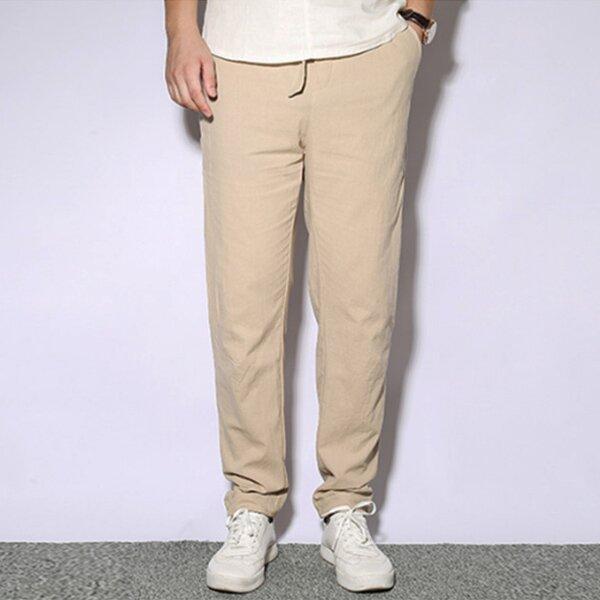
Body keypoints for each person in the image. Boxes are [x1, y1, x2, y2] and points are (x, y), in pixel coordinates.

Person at [164, 0, 436, 593]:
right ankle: (251, 505)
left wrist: (415, 22)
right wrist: (181, 31)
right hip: (237, 63)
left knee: (359, 300)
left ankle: (347, 504)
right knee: (243, 302)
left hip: (366, 55)